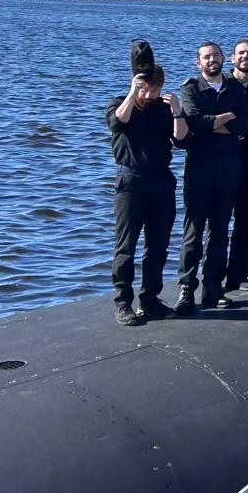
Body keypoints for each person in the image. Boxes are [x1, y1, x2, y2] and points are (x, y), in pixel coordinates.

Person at [108, 59, 189, 324]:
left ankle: (150, 299)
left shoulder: (164, 109)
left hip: (161, 180)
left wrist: (177, 110)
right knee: (126, 245)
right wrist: (133, 93)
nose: (148, 95)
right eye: (145, 89)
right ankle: (123, 302)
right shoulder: (122, 102)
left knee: (158, 245)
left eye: (153, 90)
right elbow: (117, 123)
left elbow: (181, 140)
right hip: (131, 180)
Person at [176, 42, 248, 315]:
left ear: (223, 59)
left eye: (216, 56)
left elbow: (244, 124)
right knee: (193, 232)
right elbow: (194, 122)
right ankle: (186, 289)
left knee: (220, 232)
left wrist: (213, 124)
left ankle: (212, 288)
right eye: (207, 57)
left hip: (229, 167)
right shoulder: (191, 88)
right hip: (199, 168)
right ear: (199, 63)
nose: (212, 60)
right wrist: (225, 120)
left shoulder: (236, 88)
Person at [224, 38, 248, 292]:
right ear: (232, 58)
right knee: (216, 221)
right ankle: (213, 275)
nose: (245, 57)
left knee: (246, 220)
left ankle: (238, 274)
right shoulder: (223, 85)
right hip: (222, 158)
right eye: (241, 53)